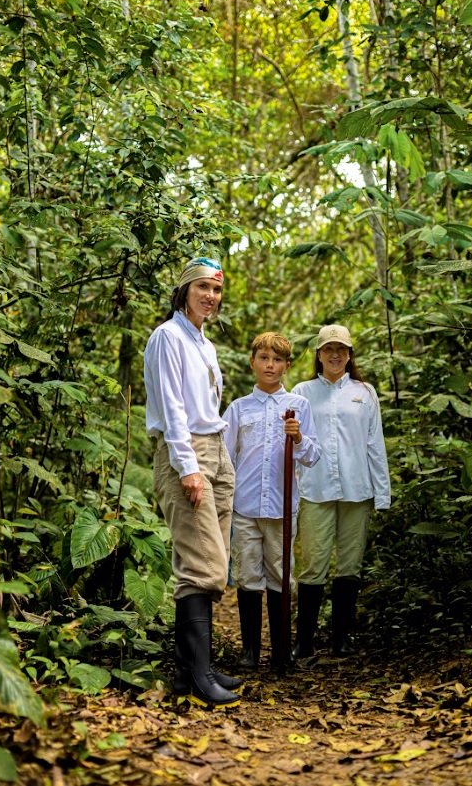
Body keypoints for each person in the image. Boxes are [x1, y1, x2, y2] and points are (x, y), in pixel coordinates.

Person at [143, 256, 242, 708]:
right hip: (188, 451)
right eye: (203, 287)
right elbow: (172, 408)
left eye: (217, 290)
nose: (211, 296)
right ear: (184, 290)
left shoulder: (203, 341)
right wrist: (187, 467)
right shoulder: (167, 337)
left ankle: (190, 670)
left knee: (209, 562)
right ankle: (199, 675)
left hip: (215, 449)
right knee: (203, 564)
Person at [291, 324, 391, 660]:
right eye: (328, 349)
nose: (335, 355)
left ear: (349, 355)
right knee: (313, 566)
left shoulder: (365, 392)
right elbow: (291, 445)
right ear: (318, 354)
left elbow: (374, 444)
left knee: (350, 566)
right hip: (315, 489)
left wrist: (382, 493)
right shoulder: (302, 391)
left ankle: (341, 640)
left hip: (356, 489)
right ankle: (304, 641)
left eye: (342, 349)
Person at [223, 333, 321, 672]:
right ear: (253, 362)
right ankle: (250, 651)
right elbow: (225, 457)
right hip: (246, 507)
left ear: (286, 366)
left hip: (281, 508)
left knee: (280, 575)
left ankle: (281, 651)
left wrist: (299, 437)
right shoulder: (237, 409)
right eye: (264, 358)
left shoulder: (298, 407)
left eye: (277, 360)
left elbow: (313, 456)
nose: (270, 365)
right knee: (248, 575)